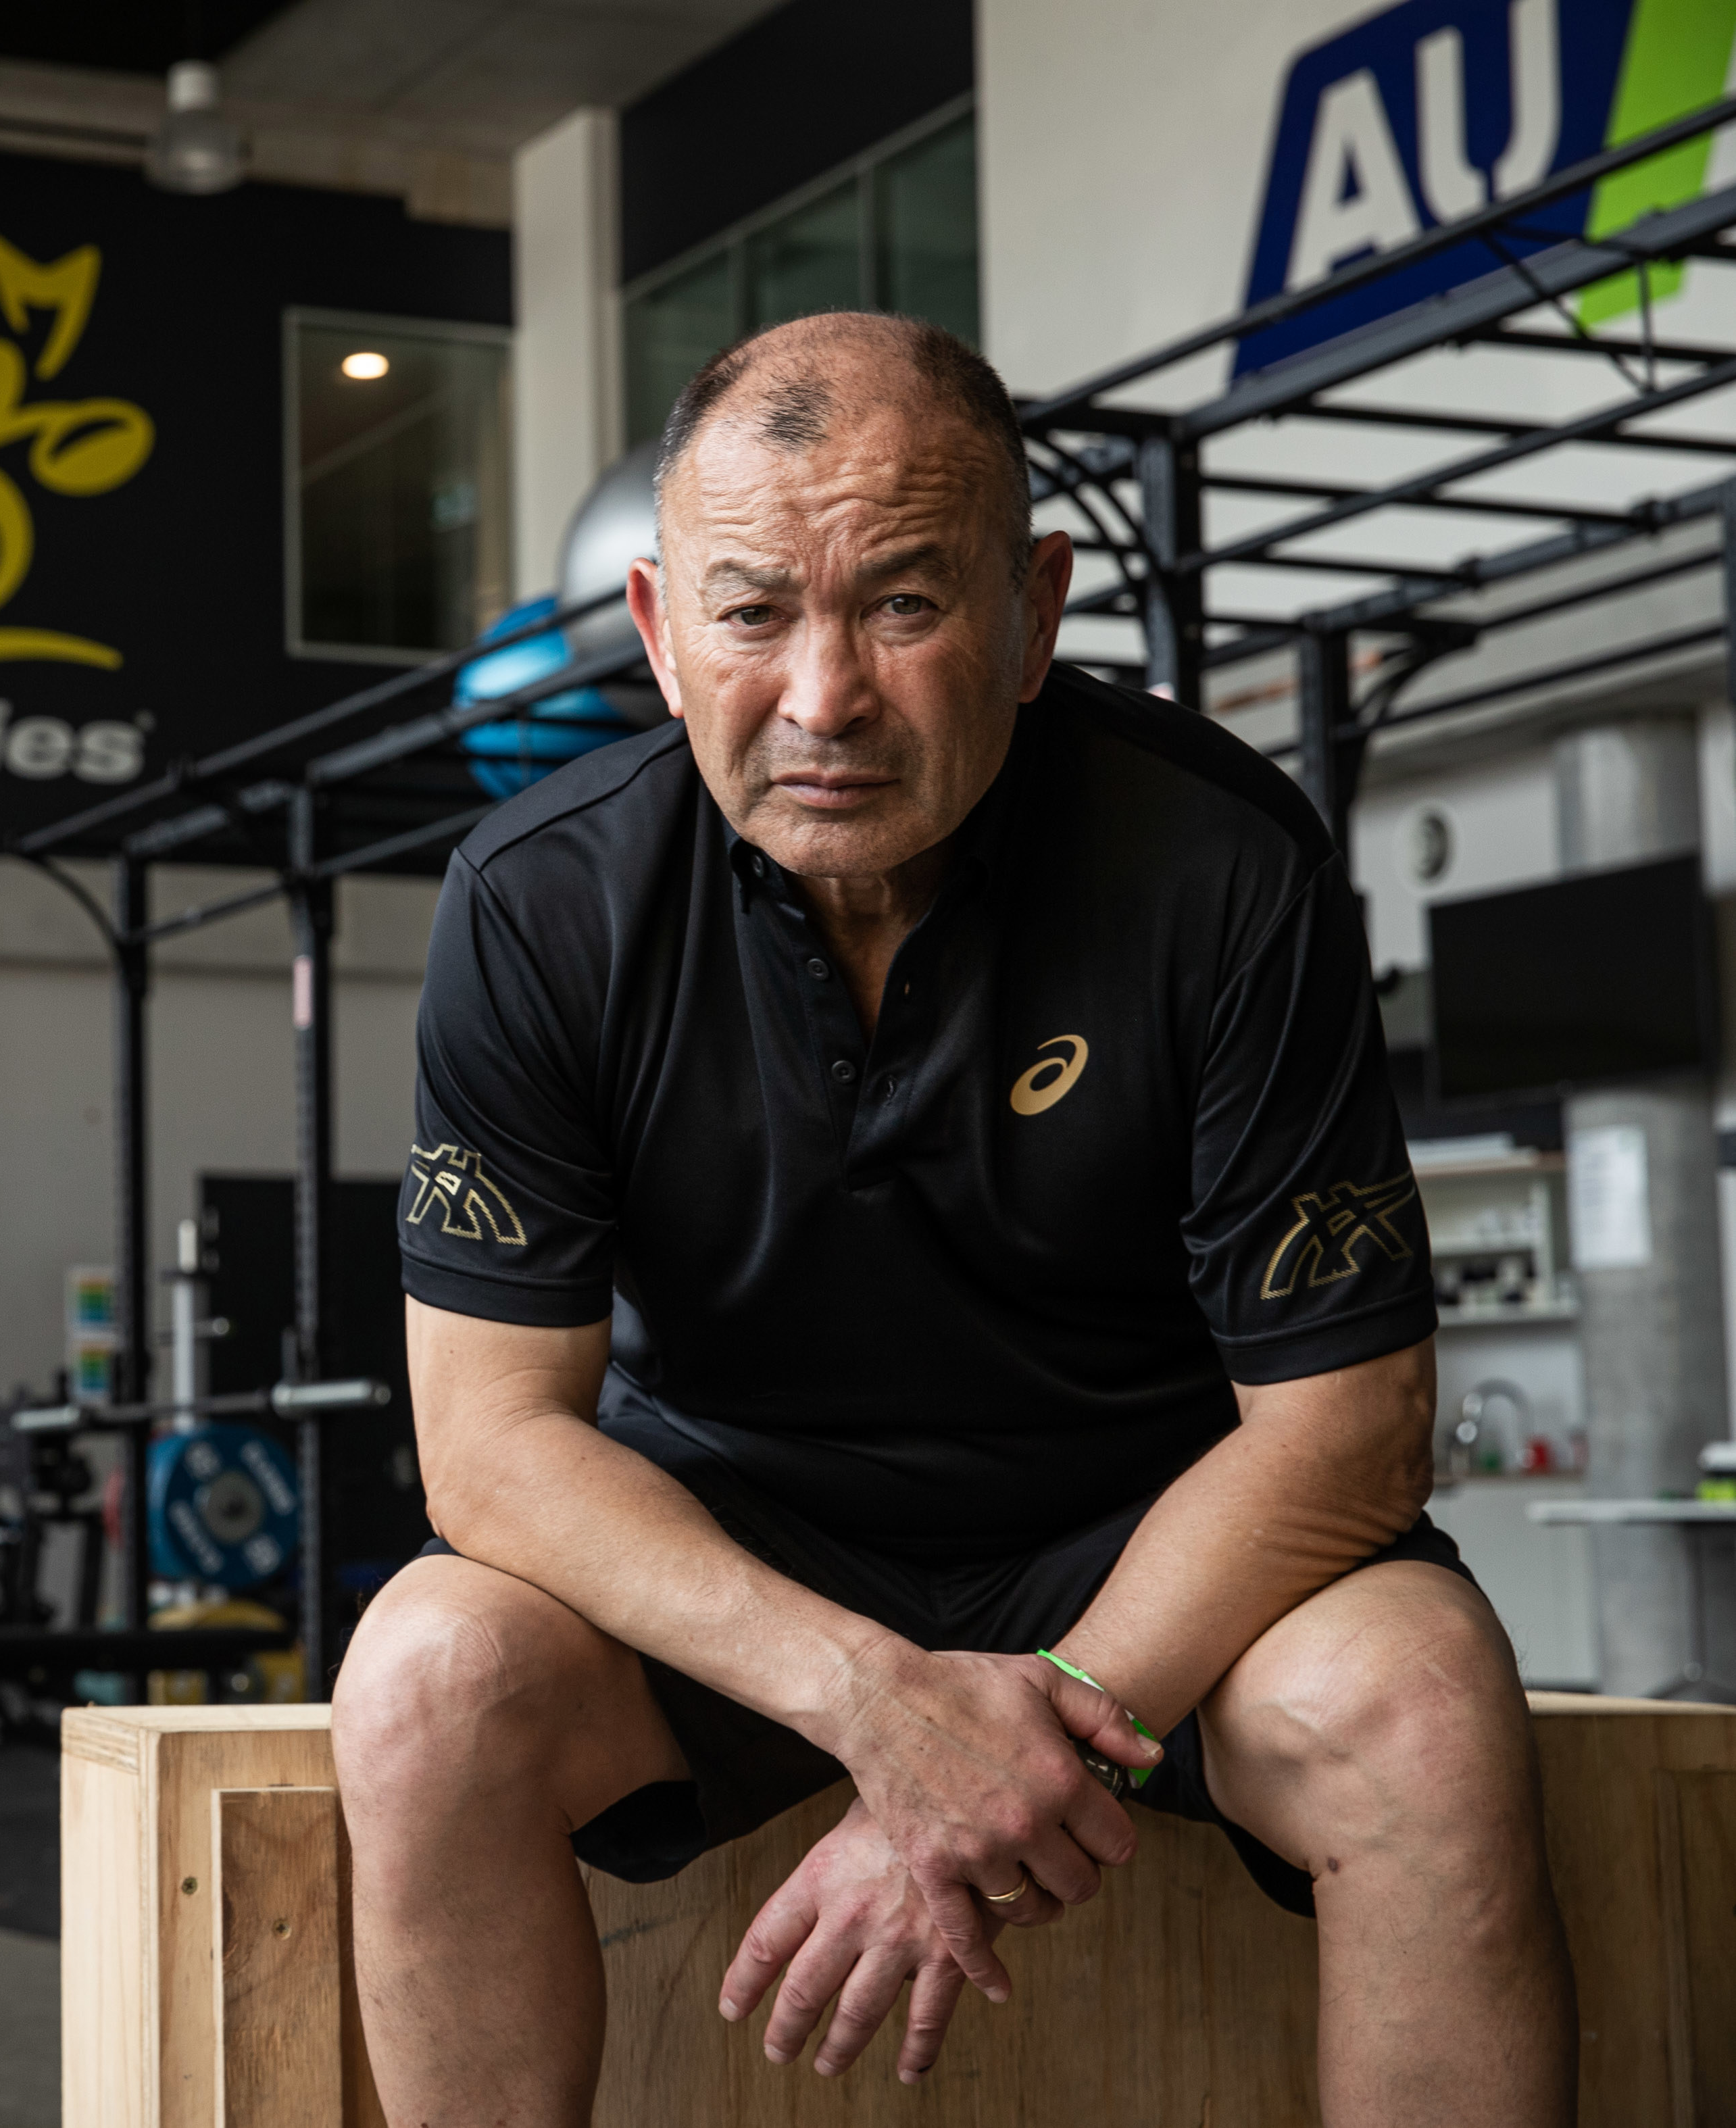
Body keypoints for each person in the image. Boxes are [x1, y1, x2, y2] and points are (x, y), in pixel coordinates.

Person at [335, 312, 1569, 2125]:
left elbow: (1346, 1429)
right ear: (665, 631)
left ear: (1033, 610)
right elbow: (491, 1448)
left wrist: (1019, 1725)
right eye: (754, 612)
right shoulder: (540, 905)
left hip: (1147, 1543)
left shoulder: (1223, 866)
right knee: (427, 1676)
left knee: (1425, 1704)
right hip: (739, 1545)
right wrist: (872, 1702)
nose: (823, 694)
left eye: (904, 605)